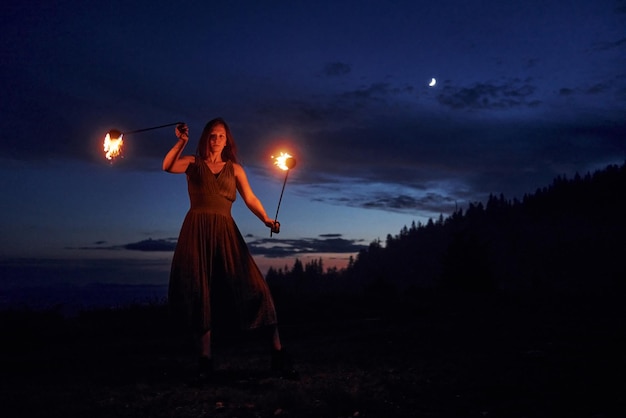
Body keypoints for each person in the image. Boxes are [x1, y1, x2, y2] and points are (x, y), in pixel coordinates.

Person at [163, 118, 296, 381]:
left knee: (256, 288)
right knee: (199, 292)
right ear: (206, 139)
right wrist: (181, 142)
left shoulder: (235, 170)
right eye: (212, 135)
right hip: (196, 230)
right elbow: (167, 166)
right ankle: (205, 363)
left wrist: (266, 219)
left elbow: (250, 198)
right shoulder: (192, 163)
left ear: (227, 140)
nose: (216, 139)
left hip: (225, 231)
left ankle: (278, 356)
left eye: (221, 136)